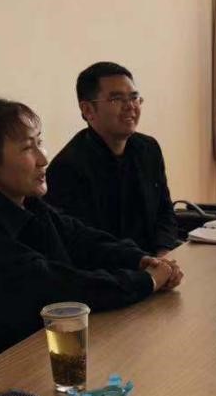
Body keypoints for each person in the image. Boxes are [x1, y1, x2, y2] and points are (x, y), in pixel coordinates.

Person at [0, 98, 181, 371]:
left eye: (39, 142)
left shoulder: (24, 201)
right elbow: (57, 287)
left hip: (44, 349)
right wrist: (146, 281)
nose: (43, 159)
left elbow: (82, 239)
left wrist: (140, 260)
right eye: (28, 148)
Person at [46, 62, 181, 255]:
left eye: (134, 98)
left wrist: (164, 250)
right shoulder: (67, 168)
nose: (130, 107)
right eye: (116, 99)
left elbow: (164, 211)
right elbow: (83, 243)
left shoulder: (148, 148)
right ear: (88, 110)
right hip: (110, 268)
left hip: (156, 261)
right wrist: (143, 263)